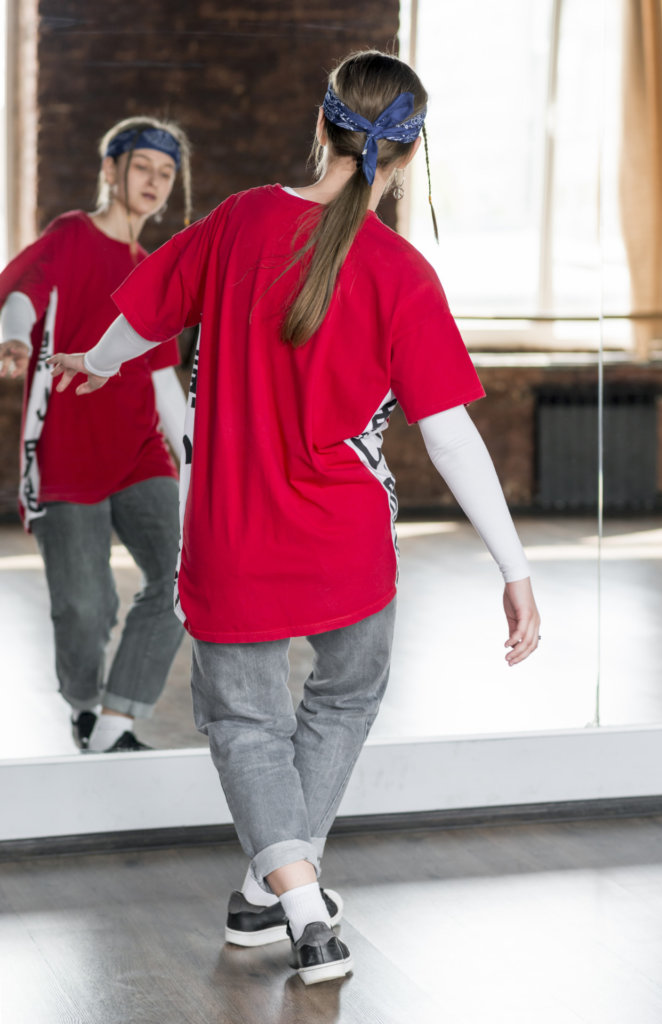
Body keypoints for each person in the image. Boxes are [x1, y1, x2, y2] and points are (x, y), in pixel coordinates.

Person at [48, 51, 541, 984]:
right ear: (409, 154)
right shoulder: (400, 271)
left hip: (236, 537)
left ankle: (286, 896)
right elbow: (451, 439)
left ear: (321, 128)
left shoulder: (236, 223)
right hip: (348, 544)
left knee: (243, 723)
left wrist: (100, 361)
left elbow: (143, 315)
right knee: (343, 699)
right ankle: (288, 896)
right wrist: (513, 567)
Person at [0, 116, 192, 752]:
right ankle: (83, 704)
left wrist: (200, 461)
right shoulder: (71, 235)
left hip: (140, 455)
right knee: (85, 609)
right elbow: (24, 292)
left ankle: (115, 724)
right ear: (110, 170)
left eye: (166, 174)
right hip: (66, 456)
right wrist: (16, 338)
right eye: (143, 167)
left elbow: (165, 383)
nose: (155, 182)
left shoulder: (157, 270)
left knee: (183, 576)